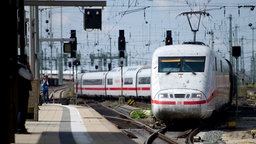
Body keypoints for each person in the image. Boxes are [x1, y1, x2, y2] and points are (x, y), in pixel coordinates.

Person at [16, 55, 33, 134]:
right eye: (26, 59)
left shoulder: (19, 67)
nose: (27, 61)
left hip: (21, 91)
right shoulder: (21, 68)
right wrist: (29, 68)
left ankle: (20, 127)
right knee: (22, 109)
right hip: (22, 92)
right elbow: (30, 77)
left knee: (21, 109)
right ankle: (20, 127)